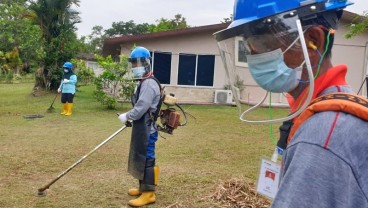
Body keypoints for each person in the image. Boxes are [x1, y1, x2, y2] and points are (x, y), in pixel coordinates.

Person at [214, 0, 368, 207]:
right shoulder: (336, 108)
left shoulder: (320, 139)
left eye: (262, 44)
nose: (253, 57)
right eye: (248, 46)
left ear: (312, 40)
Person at [118, 46, 161, 207]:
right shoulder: (143, 81)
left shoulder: (149, 83)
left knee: (147, 159)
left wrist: (127, 116)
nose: (135, 67)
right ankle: (143, 188)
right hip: (141, 126)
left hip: (147, 129)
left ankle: (149, 194)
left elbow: (142, 107)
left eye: (138, 63)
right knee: (140, 157)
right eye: (134, 64)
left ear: (146, 63)